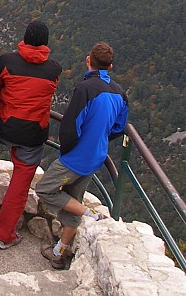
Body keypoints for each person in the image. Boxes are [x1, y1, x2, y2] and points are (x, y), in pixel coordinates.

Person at [36, 41, 129, 269]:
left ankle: (90, 213)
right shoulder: (120, 93)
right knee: (73, 199)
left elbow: (71, 126)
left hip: (77, 157)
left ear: (89, 60)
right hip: (97, 156)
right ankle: (58, 253)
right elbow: (119, 127)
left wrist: (67, 149)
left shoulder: (85, 89)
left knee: (44, 189)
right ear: (110, 66)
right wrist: (100, 138)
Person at [0, 20, 62, 249]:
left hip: (5, 126)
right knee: (19, 186)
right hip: (33, 133)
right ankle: (5, 235)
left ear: (24, 39)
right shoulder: (54, 69)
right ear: (45, 43)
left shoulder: (7, 61)